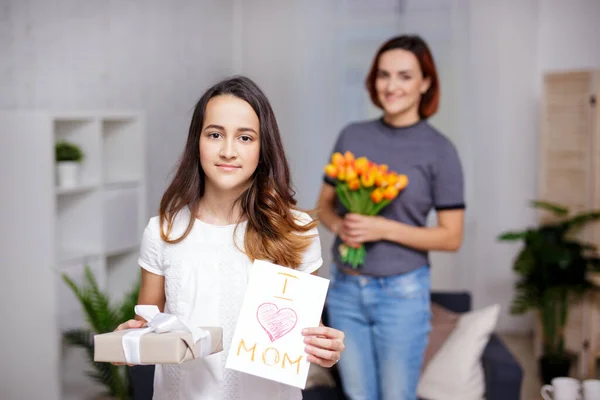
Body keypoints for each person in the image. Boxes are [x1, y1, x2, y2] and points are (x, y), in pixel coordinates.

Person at [115, 76, 345, 400]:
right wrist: (128, 342)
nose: (227, 151)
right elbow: (148, 328)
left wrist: (324, 348)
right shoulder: (163, 232)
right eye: (215, 134)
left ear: (263, 148)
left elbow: (308, 333)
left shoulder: (296, 230)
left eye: (245, 138)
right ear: (198, 141)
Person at [316, 35, 465, 400]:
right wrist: (342, 227)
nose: (391, 86)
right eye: (384, 75)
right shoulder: (352, 135)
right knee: (358, 395)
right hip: (345, 291)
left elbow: (451, 236)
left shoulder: (441, 151)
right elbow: (323, 207)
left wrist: (383, 228)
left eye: (404, 76)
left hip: (402, 294)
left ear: (425, 83)